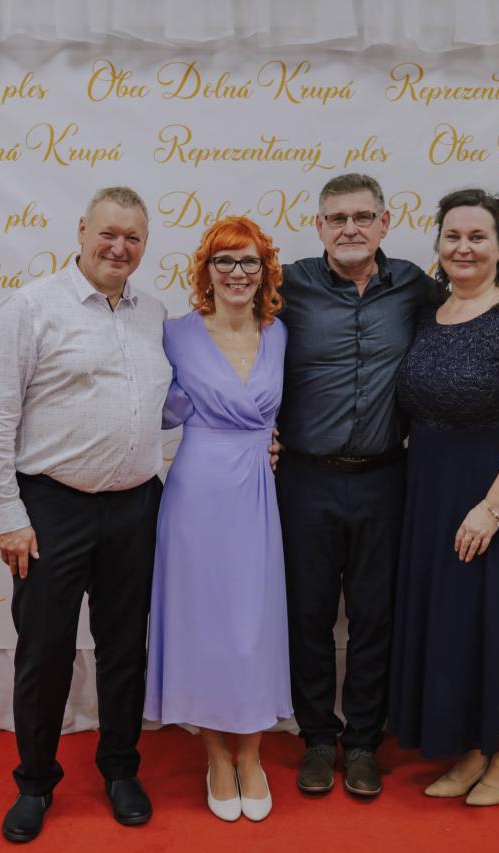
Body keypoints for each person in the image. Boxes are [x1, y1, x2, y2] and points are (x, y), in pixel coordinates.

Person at [0, 186, 171, 843]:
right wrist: (6, 513)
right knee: (45, 651)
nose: (119, 247)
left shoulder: (153, 313)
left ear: (145, 244)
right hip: (51, 508)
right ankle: (34, 781)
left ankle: (120, 768)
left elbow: (161, 403)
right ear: (82, 230)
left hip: (137, 505)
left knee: (125, 648)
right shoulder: (30, 308)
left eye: (133, 237)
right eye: (108, 233)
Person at [388, 187, 499, 806]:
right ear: (438, 244)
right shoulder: (428, 313)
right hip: (431, 491)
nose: (463, 247)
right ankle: (472, 745)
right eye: (453, 236)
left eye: (477, 237)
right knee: (456, 622)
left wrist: (492, 509)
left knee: (498, 617)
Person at [276, 173, 438, 797]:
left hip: (386, 479)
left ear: (384, 223)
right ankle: (318, 738)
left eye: (362, 217)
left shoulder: (416, 287)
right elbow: (231, 340)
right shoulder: (286, 284)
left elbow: (468, 324)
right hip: (304, 479)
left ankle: (365, 741)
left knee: (376, 616)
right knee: (308, 614)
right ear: (318, 226)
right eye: (337, 218)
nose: (350, 228)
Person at [144, 216, 291, 823]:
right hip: (196, 494)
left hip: (256, 491)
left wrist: (275, 440)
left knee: (252, 624)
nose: (236, 273)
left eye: (249, 261)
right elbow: (153, 410)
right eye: (224, 261)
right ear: (206, 271)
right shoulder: (174, 334)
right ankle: (216, 756)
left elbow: (288, 410)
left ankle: (252, 754)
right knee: (202, 623)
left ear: (265, 271)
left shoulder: (279, 334)